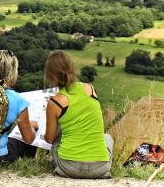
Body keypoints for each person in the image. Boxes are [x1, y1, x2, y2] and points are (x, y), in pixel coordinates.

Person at [43, 50, 113, 178]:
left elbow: (49, 139)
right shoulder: (90, 89)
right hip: (100, 168)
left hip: (69, 167)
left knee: (57, 139)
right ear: (71, 68)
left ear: (50, 76)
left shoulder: (55, 103)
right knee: (107, 137)